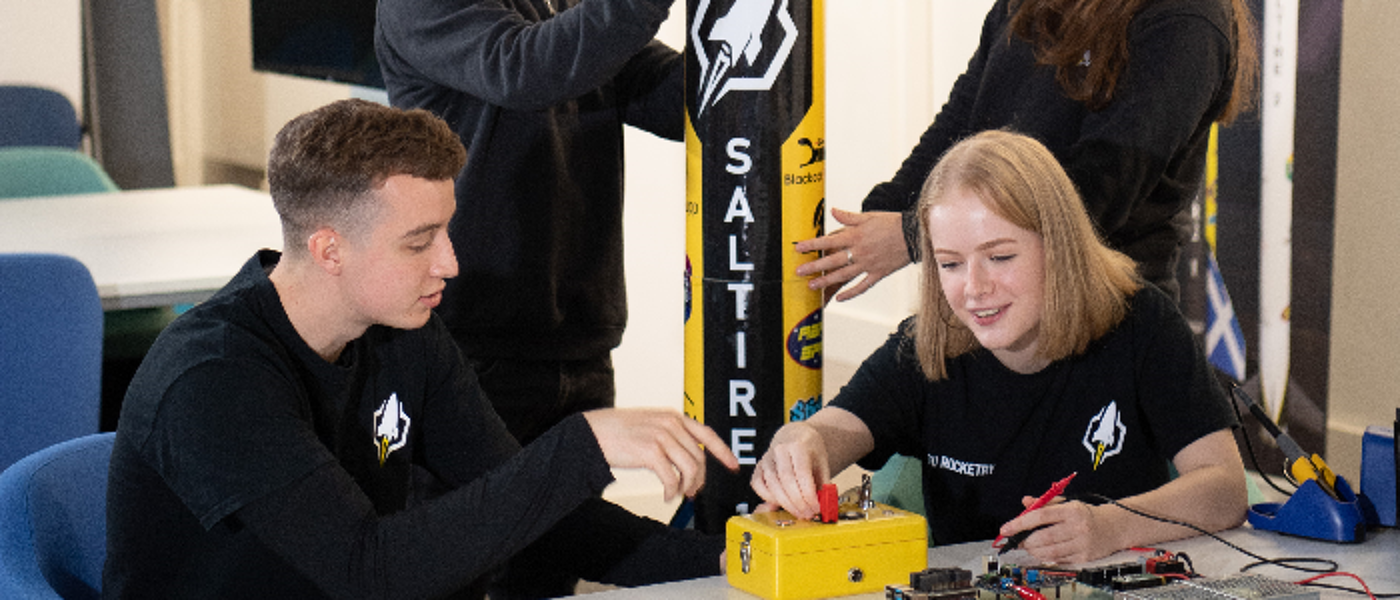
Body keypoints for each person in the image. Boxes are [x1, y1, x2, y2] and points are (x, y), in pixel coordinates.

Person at [103, 99, 739, 599]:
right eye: (419, 242)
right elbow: (369, 571)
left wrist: (737, 559)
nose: (451, 263)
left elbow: (537, 518)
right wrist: (583, 445)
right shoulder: (214, 377)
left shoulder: (403, 330)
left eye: (446, 232)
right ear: (329, 250)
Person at [751, 130, 1247, 564]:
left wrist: (1110, 527)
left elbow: (1224, 488)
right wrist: (800, 443)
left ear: (1059, 245)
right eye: (949, 264)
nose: (974, 287)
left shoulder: (1143, 324)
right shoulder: (924, 345)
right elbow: (836, 429)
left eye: (1000, 256)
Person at [796, 0, 1258, 303]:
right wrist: (874, 224)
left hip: (1097, 322)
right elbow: (962, 123)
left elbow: (1094, 192)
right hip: (990, 316)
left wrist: (914, 235)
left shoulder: (1188, 19)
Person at [374, 0, 684, 447]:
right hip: (470, 348)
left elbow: (671, 100)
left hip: (579, 341)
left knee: (578, 517)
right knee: (478, 515)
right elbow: (524, 68)